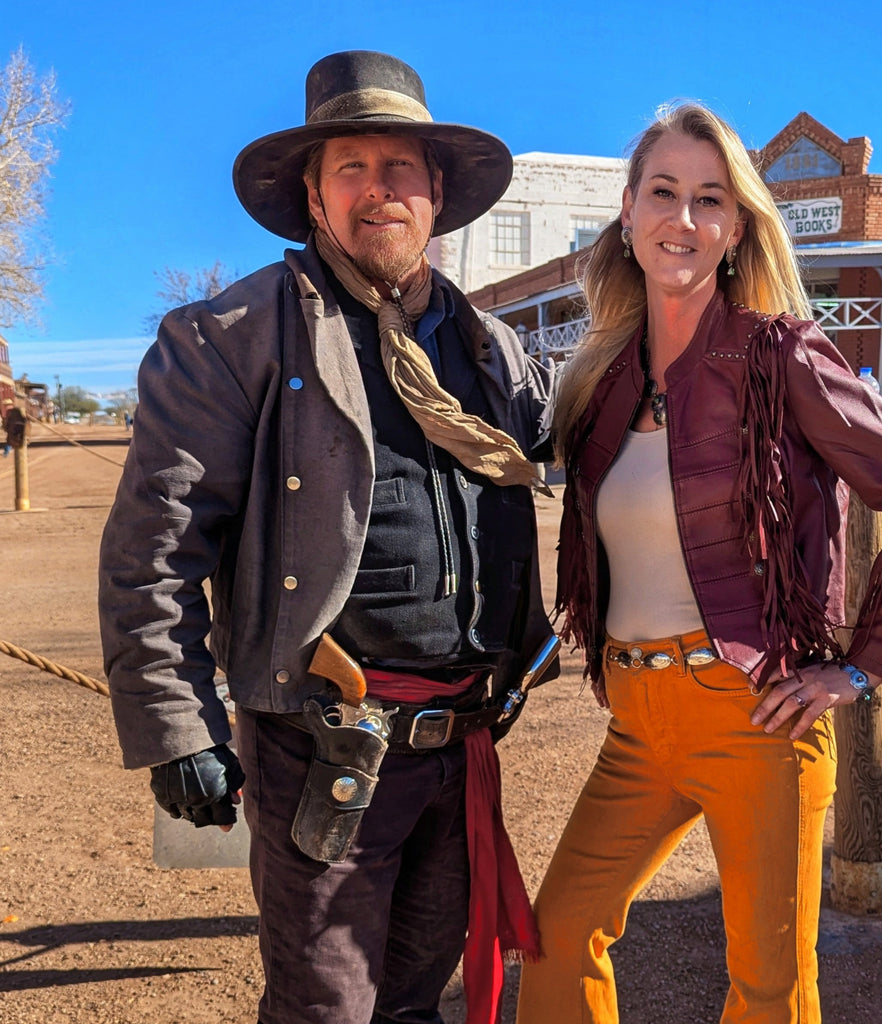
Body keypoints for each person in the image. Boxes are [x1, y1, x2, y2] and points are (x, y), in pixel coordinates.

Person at [99, 50, 557, 1024]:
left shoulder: (493, 352)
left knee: (411, 1003)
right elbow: (157, 544)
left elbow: (612, 430)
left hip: (461, 735)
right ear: (312, 197)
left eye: (399, 169)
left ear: (436, 193)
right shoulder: (229, 335)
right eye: (350, 167)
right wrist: (177, 723)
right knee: (327, 1011)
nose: (378, 190)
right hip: (323, 747)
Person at [515, 103, 882, 1024]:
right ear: (628, 212)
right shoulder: (604, 382)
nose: (682, 219)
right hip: (637, 720)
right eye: (663, 193)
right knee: (558, 936)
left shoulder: (781, 355)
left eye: (709, 199)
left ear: (735, 228)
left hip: (752, 717)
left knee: (769, 989)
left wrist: (857, 668)